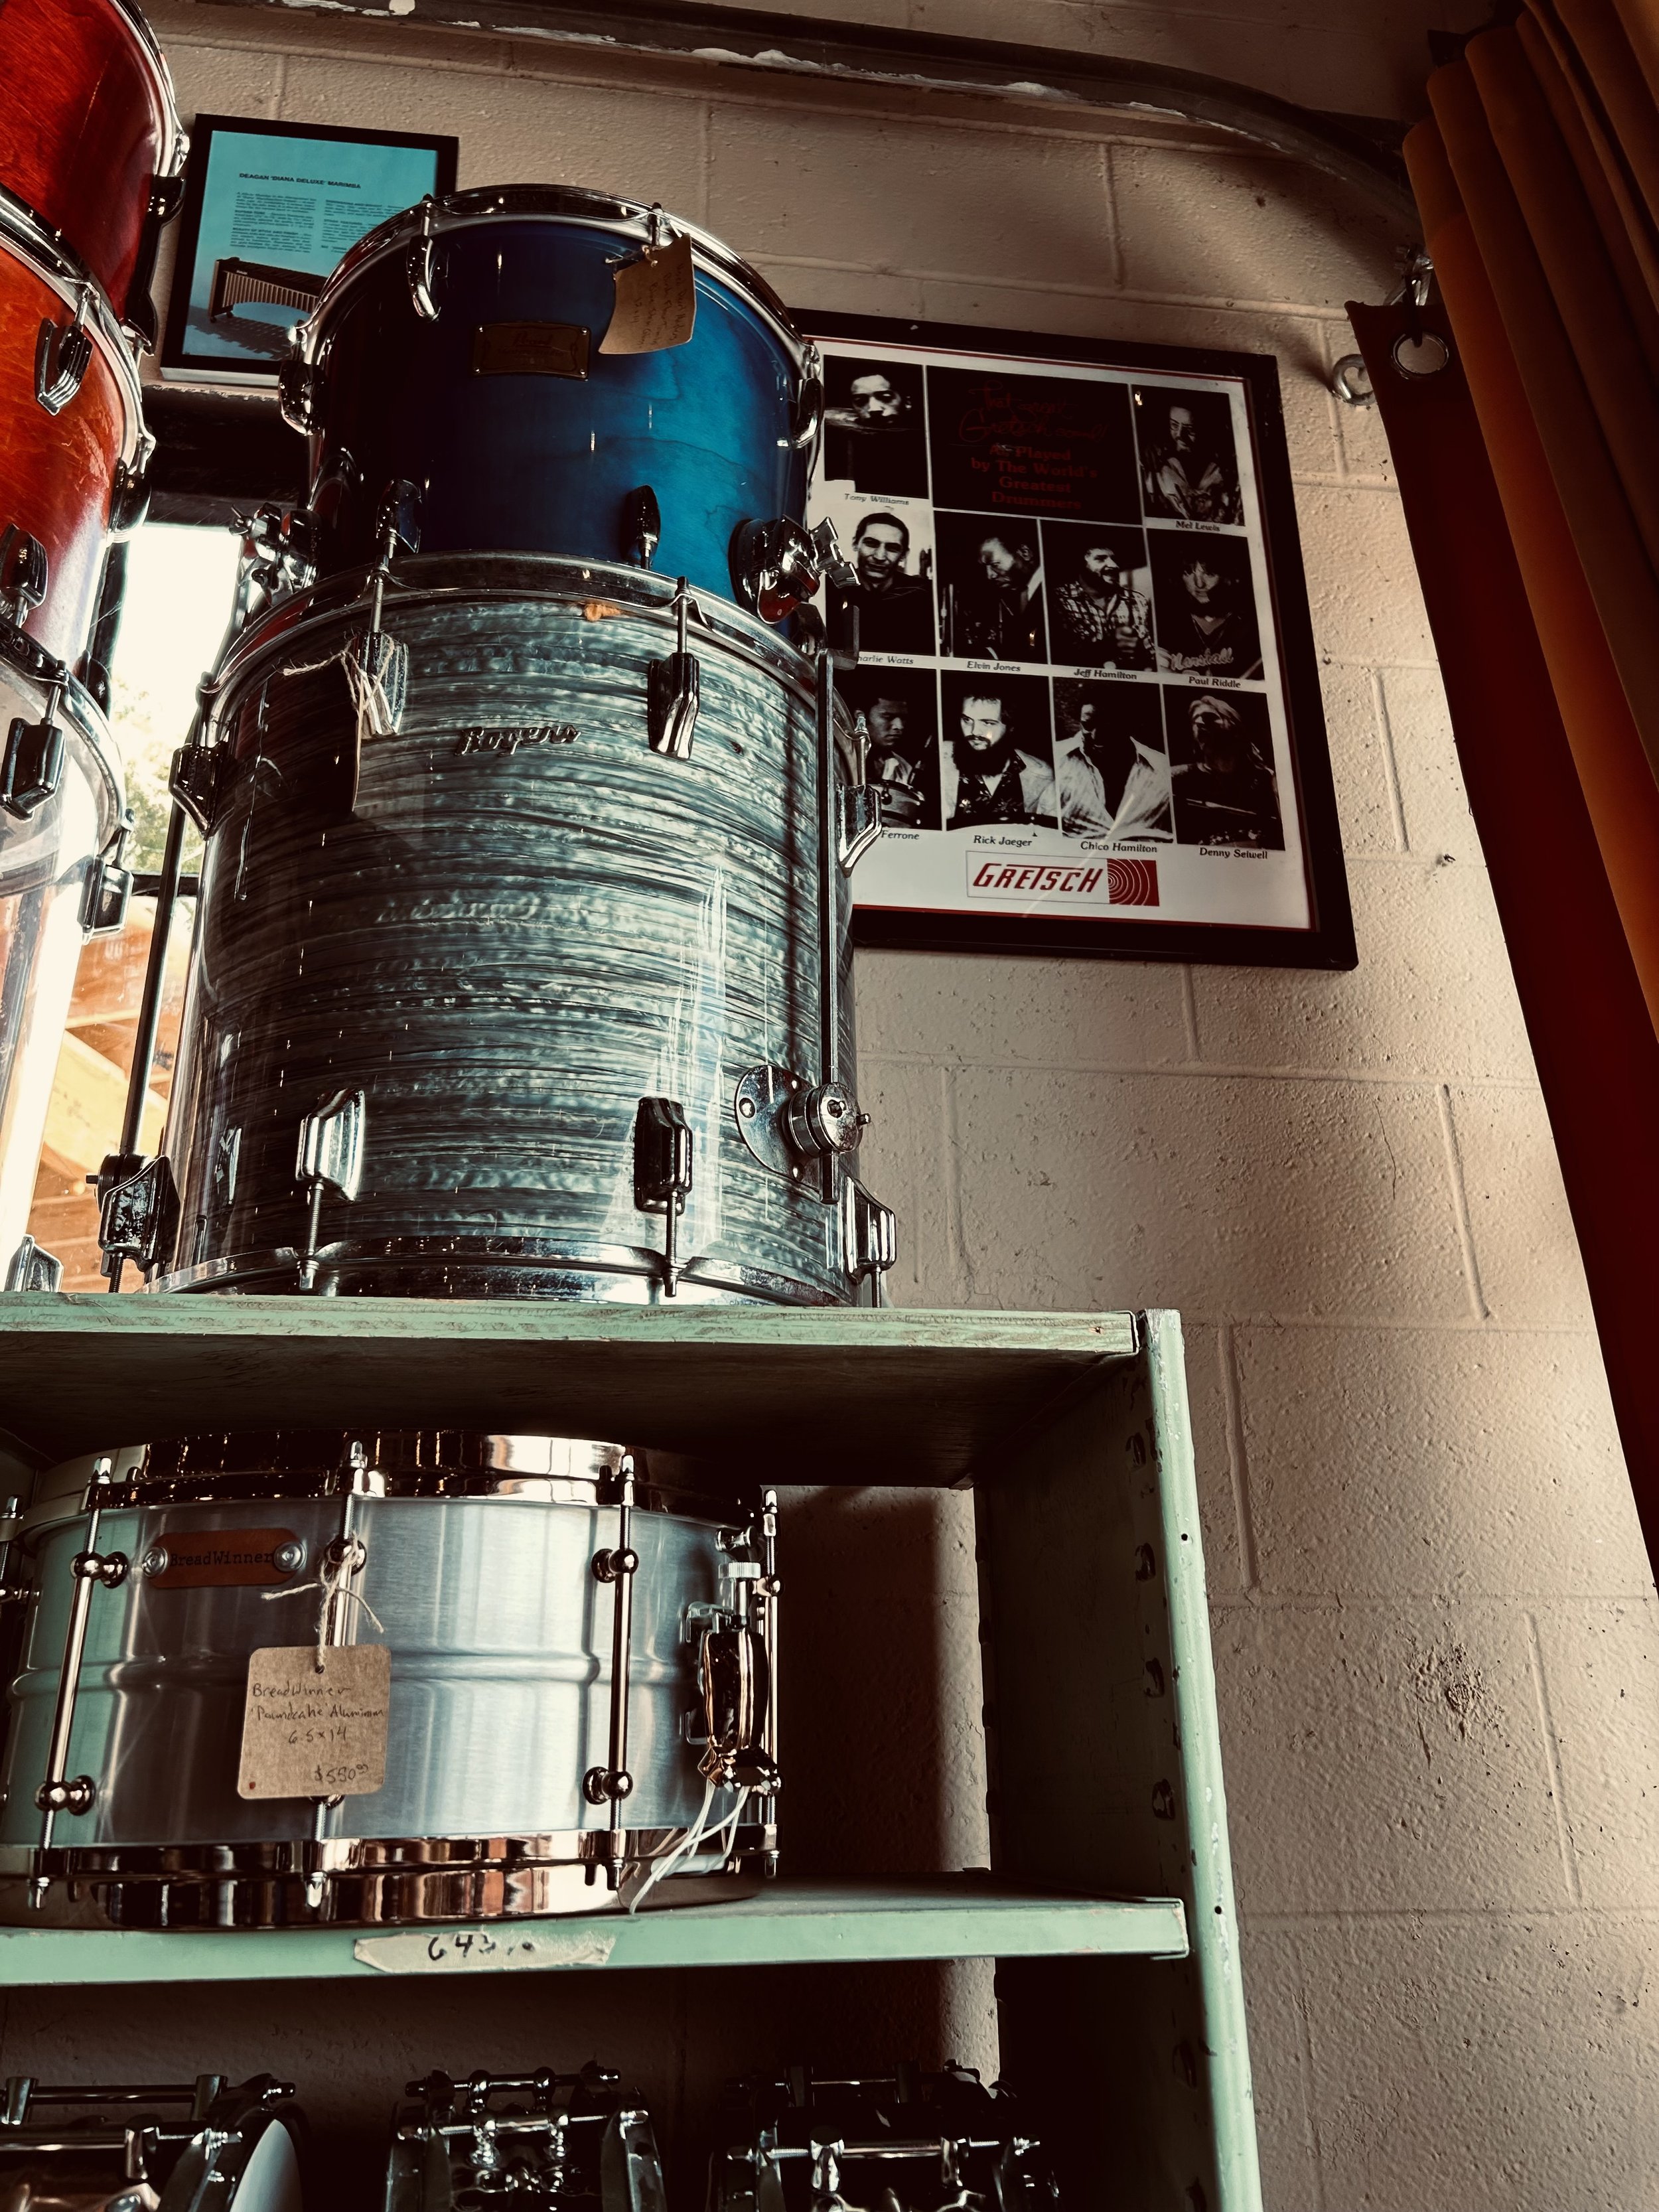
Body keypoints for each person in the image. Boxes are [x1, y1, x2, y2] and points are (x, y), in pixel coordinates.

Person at [1171, 693, 1283, 847]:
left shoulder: (1267, 780)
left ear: (1233, 726)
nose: (1199, 723)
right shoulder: (1177, 778)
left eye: (1209, 718)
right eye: (1195, 721)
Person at [1056, 698, 1172, 840]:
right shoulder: (1058, 757)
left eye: (1107, 726)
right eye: (1088, 725)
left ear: (1127, 725)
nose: (1096, 736)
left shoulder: (1161, 766)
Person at [941, 690, 1057, 828]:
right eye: (967, 720)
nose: (974, 731)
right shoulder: (939, 759)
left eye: (988, 723)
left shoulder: (1040, 776)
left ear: (1010, 727)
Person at [1155, 548, 1262, 678]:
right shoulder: (1166, 620)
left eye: (1209, 574)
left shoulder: (1250, 622)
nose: (1199, 584)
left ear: (1226, 577)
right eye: (1188, 573)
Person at [823, 368, 929, 496]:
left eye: (885, 398)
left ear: (907, 402)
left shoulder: (925, 441)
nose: (873, 409)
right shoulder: (840, 436)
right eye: (860, 401)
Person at [945, 531, 1045, 662]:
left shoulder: (1059, 594)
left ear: (1025, 553)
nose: (990, 576)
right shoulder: (1022, 595)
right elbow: (1029, 644)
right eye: (986, 568)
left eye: (995, 565)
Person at [1052, 542, 1155, 670]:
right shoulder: (1059, 599)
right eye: (1100, 559)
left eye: (1115, 560)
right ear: (1081, 564)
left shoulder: (1137, 600)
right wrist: (1110, 645)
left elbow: (1151, 656)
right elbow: (1060, 656)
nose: (1114, 565)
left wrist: (1141, 652)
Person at [844, 512, 933, 655]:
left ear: (904, 555)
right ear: (856, 544)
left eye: (892, 548)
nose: (880, 557)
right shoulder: (831, 589)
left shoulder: (923, 594)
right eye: (871, 544)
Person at [1141, 397, 1241, 524]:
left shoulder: (1226, 466)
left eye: (1190, 429)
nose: (1180, 435)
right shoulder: (1156, 461)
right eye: (1174, 425)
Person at [852, 688, 937, 828]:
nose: (899, 726)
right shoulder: (836, 760)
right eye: (887, 717)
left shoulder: (904, 768)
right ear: (860, 717)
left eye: (903, 719)